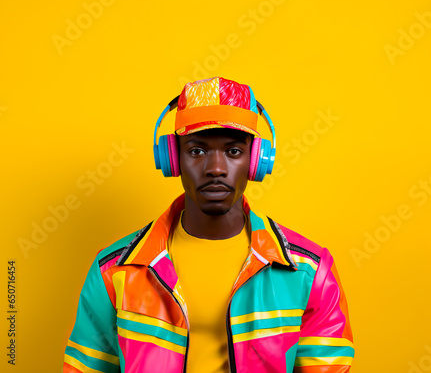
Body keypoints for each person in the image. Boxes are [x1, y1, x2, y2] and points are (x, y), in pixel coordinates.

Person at [63, 76, 355, 373]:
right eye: (197, 151)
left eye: (233, 151)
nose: (215, 168)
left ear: (256, 161)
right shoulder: (114, 271)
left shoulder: (309, 272)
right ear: (172, 158)